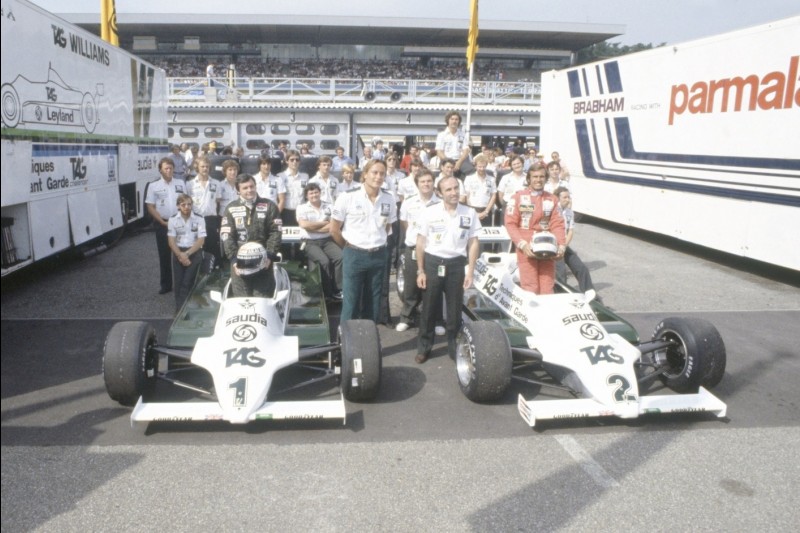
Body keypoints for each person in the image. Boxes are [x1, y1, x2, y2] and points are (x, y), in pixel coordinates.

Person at [415, 176, 481, 363]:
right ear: (439, 193)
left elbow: (473, 242)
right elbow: (420, 242)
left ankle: (455, 349)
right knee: (428, 309)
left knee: (454, 311)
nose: (453, 193)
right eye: (448, 190)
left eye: (455, 188)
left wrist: (470, 271)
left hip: (456, 265)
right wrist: (421, 270)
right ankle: (424, 348)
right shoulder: (429, 212)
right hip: (433, 263)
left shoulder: (469, 212)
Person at [330, 159, 397, 323]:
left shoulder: (389, 198)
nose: (378, 177)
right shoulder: (348, 197)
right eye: (374, 172)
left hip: (378, 255)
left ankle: (368, 341)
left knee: (373, 303)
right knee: (351, 303)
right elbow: (334, 229)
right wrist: (347, 247)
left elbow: (388, 227)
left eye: (382, 173)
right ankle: (345, 343)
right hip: (354, 254)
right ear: (365, 174)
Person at [504, 163, 566, 295]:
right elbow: (510, 223)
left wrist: (561, 245)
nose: (538, 180)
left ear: (546, 178)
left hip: (548, 246)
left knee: (547, 286)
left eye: (542, 177)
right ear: (528, 179)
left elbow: (558, 224)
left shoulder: (552, 199)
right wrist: (522, 244)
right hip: (527, 247)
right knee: (530, 287)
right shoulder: (518, 197)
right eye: (535, 177)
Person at [220, 174, 282, 297]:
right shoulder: (231, 208)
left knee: (262, 299)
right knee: (242, 300)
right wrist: (233, 260)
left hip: (264, 261)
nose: (249, 190)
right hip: (239, 262)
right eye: (245, 188)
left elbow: (276, 232)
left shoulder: (269, 205)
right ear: (238, 190)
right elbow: (227, 235)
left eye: (252, 186)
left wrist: (269, 255)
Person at [396, 169, 440, 332]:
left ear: (433, 182)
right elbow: (404, 222)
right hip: (413, 247)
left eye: (429, 181)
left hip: (434, 249)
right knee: (411, 285)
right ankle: (407, 318)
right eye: (423, 181)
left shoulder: (440, 202)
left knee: (434, 285)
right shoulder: (409, 202)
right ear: (417, 184)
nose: (426, 184)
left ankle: (437, 321)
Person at [145, 157, 186, 295]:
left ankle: (183, 283)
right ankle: (166, 285)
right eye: (166, 168)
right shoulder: (153, 186)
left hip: (179, 222)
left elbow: (185, 202)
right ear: (160, 170)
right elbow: (150, 206)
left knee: (181, 253)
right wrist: (162, 222)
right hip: (162, 223)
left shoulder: (180, 183)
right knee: (164, 255)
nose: (169, 171)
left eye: (171, 168)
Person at [296, 183, 343, 300]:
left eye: (316, 192)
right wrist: (323, 223)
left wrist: (314, 228)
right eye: (311, 193)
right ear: (306, 195)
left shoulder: (329, 206)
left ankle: (338, 290)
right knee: (324, 261)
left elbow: (333, 225)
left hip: (327, 240)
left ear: (320, 192)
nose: (314, 195)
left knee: (341, 257)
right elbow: (304, 225)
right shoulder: (301, 207)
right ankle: (327, 294)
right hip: (309, 241)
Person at [554, 187, 600, 301]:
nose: (568, 199)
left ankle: (590, 295)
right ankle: (561, 298)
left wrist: (564, 246)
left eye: (568, 197)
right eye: (564, 197)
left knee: (581, 268)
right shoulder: (553, 211)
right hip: (553, 244)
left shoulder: (569, 212)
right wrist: (559, 246)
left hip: (563, 244)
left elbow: (570, 231)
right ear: (557, 198)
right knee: (561, 272)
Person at [167, 194, 206, 312]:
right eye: (183, 204)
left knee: (188, 282)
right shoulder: (173, 219)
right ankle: (179, 310)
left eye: (189, 204)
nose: (187, 207)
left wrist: (187, 254)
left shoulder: (199, 219)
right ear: (178, 206)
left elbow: (201, 240)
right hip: (178, 252)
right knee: (178, 283)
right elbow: (171, 241)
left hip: (193, 252)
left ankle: (190, 309)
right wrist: (180, 255)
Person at [186, 155, 222, 267]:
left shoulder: (216, 183)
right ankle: (198, 268)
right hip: (195, 219)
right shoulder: (190, 184)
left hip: (211, 219)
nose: (205, 169)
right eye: (202, 166)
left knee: (212, 245)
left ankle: (214, 269)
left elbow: (218, 201)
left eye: (207, 166)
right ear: (197, 167)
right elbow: (187, 202)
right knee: (197, 245)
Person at [462, 154, 497, 226]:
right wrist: (473, 212)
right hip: (472, 209)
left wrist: (486, 211)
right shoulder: (469, 178)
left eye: (484, 166)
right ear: (475, 166)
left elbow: (493, 196)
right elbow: (467, 196)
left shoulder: (491, 179)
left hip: (486, 210)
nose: (482, 169)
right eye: (479, 167)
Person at [435, 111, 472, 177]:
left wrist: (458, 163)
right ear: (448, 120)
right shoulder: (441, 135)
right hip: (445, 160)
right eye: (452, 119)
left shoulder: (463, 135)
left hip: (460, 161)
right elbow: (439, 152)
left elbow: (466, 151)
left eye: (456, 119)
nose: (454, 121)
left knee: (472, 172)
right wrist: (449, 163)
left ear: (459, 121)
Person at [279, 149, 309, 227]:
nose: (294, 162)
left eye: (297, 159)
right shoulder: (280, 176)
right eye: (291, 160)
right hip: (285, 212)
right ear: (286, 161)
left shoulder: (305, 177)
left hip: (301, 212)